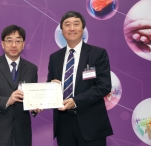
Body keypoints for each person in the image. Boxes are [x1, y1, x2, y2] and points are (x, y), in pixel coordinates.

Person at [47, 11, 113, 146]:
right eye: (67, 25)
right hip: (63, 124)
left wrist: (75, 101)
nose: (72, 28)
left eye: (76, 24)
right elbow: (51, 85)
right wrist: (50, 87)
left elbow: (103, 86)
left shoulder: (98, 54)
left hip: (91, 124)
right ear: (62, 30)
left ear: (83, 29)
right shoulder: (55, 57)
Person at [0, 25, 40, 146]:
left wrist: (34, 108)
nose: (14, 45)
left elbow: (32, 98)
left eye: (18, 41)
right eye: (9, 40)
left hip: (22, 133)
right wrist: (7, 100)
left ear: (23, 44)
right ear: (2, 44)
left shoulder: (32, 68)